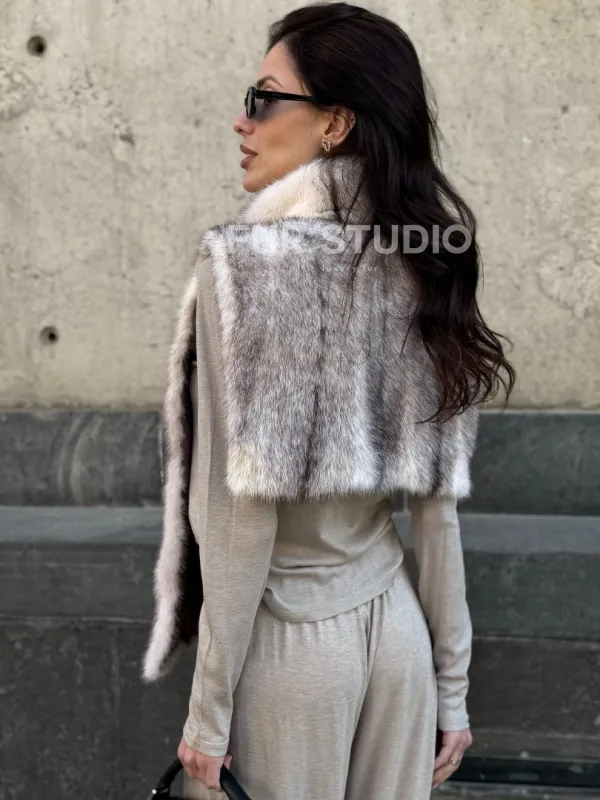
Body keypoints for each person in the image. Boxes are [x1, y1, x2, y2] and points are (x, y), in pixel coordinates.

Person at [142, 4, 516, 799]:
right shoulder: (426, 260)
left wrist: (209, 711)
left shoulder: (246, 269)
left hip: (292, 652)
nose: (242, 119)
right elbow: (436, 514)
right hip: (400, 641)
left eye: (264, 97)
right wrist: (451, 689)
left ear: (336, 123)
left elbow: (242, 518)